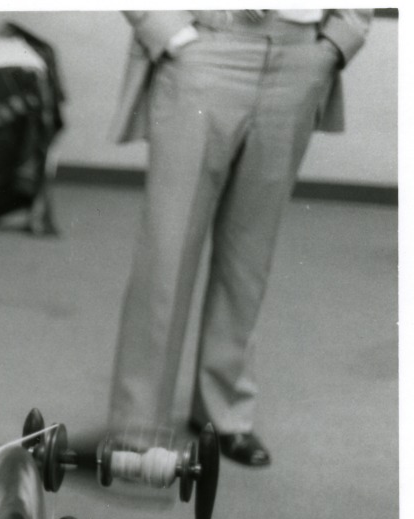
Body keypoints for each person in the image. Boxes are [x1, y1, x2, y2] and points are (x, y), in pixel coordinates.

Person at [107, 9, 372, 466]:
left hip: (300, 57)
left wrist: (336, 42)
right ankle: (137, 424)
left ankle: (224, 413)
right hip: (206, 48)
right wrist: (166, 31)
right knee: (167, 252)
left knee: (249, 255)